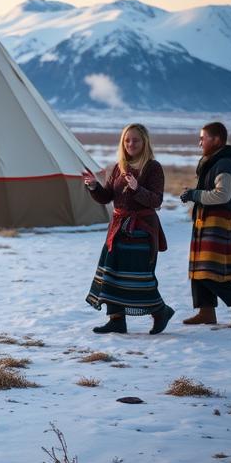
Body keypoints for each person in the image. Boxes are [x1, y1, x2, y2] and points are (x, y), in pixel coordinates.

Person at [82, 123, 174, 335]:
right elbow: (106, 197)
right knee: (111, 274)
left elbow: (156, 201)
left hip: (142, 230)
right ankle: (116, 320)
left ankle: (161, 312)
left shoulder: (153, 168)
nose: (131, 144)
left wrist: (137, 189)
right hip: (117, 229)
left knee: (140, 277)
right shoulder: (117, 167)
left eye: (136, 140)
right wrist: (94, 186)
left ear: (145, 143)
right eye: (127, 140)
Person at [180, 121, 231, 327]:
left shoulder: (226, 164)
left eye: (203, 138)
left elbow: (224, 194)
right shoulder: (214, 161)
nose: (200, 143)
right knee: (198, 268)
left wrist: (195, 194)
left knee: (207, 271)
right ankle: (206, 312)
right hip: (206, 221)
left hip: (218, 222)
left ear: (217, 140)